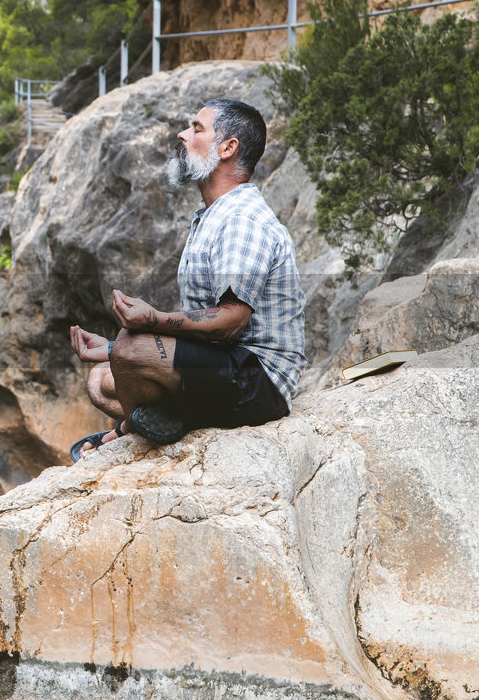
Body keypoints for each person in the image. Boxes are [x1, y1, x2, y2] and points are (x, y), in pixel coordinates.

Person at [69, 98, 305, 459]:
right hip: (226, 365)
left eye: (197, 129)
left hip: (260, 381)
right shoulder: (213, 216)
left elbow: (231, 319)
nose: (182, 134)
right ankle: (161, 419)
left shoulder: (241, 219)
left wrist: (151, 322)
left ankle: (134, 429)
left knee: (131, 347)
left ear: (228, 148)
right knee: (100, 380)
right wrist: (112, 351)